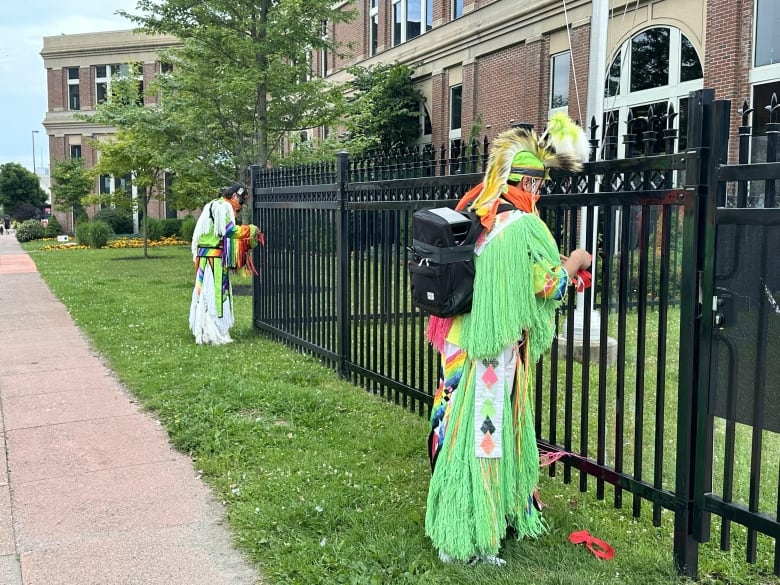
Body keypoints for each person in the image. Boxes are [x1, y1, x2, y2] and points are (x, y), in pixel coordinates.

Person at [424, 117, 592, 565]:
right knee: (485, 438)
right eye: (541, 185)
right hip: (492, 352)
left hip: (458, 341)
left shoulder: (476, 208)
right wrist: (575, 263)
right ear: (531, 183)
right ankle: (465, 539)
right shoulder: (525, 226)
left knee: (454, 430)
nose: (541, 194)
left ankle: (495, 514)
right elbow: (548, 286)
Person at [189, 183, 264, 345]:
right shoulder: (224, 207)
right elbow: (229, 230)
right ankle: (214, 331)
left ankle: (202, 328)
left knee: (203, 292)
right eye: (241, 202)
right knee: (217, 292)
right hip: (214, 258)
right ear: (236, 196)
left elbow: (201, 235)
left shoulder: (212, 204)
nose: (240, 206)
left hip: (203, 256)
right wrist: (250, 229)